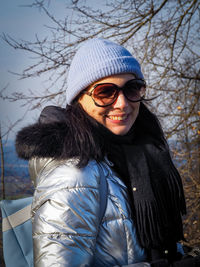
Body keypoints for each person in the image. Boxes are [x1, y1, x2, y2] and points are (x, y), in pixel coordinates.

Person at [15, 38, 189, 267]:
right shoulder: (74, 173)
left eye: (132, 87)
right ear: (80, 98)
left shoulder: (142, 155)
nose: (122, 103)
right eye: (105, 92)